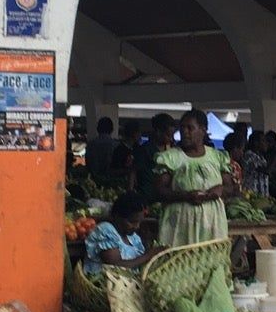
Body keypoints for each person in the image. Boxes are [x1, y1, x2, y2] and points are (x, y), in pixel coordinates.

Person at [154, 110, 234, 246]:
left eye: (190, 128)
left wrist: (220, 190)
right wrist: (185, 196)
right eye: (182, 128)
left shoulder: (217, 157)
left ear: (203, 130)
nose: (185, 132)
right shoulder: (170, 158)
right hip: (180, 225)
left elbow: (230, 187)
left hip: (211, 224)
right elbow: (159, 191)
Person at [84, 191, 160, 276]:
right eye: (132, 222)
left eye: (139, 222)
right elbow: (114, 266)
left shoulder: (134, 238)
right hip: (104, 283)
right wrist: (148, 255)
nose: (137, 226)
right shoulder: (105, 230)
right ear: (117, 216)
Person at [134, 113, 175, 201]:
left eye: (172, 136)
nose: (171, 139)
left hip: (165, 195)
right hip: (147, 194)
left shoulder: (171, 150)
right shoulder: (145, 150)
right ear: (158, 132)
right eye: (168, 135)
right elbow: (134, 171)